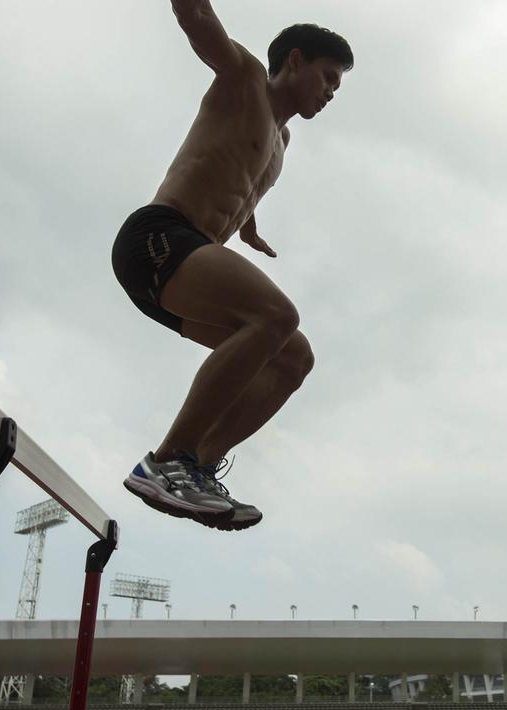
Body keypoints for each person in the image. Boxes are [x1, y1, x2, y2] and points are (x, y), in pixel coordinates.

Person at [111, 1, 353, 531]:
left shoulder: (281, 141)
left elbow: (238, 184)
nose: (332, 91)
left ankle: (193, 468)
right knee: (276, 317)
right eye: (328, 76)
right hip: (158, 238)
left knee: (292, 360)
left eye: (339, 85)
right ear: (295, 60)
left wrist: (248, 228)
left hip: (180, 268)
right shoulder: (242, 79)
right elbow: (195, 17)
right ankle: (169, 458)